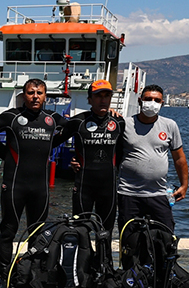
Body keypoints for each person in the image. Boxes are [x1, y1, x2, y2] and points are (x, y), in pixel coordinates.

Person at [0, 78, 67, 288]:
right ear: (23, 95)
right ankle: (4, 280)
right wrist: (7, 156)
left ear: (45, 96)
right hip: (15, 184)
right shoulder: (11, 116)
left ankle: (32, 276)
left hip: (39, 188)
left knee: (37, 234)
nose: (35, 96)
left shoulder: (52, 119)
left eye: (40, 93)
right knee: (8, 232)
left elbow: (74, 129)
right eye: (31, 92)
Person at [56, 80, 125, 231]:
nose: (103, 100)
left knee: (105, 233)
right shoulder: (78, 122)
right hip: (83, 187)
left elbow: (122, 152)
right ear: (89, 100)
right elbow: (52, 143)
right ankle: (83, 255)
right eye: (98, 96)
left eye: (107, 96)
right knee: (80, 232)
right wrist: (71, 163)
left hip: (109, 186)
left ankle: (104, 256)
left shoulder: (119, 122)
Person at [118, 84, 188, 231]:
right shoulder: (125, 124)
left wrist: (184, 185)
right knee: (129, 243)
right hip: (128, 194)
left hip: (158, 194)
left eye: (157, 100)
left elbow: (179, 158)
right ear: (140, 101)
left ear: (162, 103)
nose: (152, 103)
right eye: (148, 99)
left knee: (165, 239)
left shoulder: (170, 125)